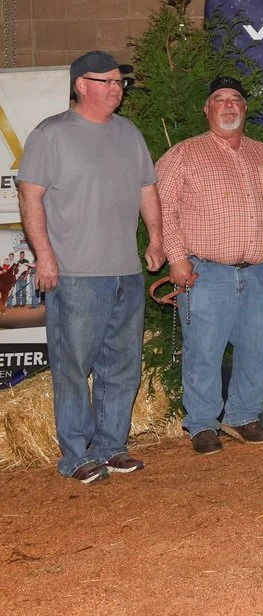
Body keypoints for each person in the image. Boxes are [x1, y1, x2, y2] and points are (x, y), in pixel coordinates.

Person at [17, 51, 164, 484]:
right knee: (73, 365)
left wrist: (156, 239)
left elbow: (147, 188)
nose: (117, 88)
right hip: (75, 273)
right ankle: (76, 455)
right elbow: (30, 197)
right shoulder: (51, 135)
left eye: (121, 82)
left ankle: (111, 447)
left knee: (121, 365)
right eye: (108, 81)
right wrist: (45, 255)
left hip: (126, 272)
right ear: (82, 85)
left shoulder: (129, 133)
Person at [156, 76, 263, 456]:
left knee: (258, 346)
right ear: (207, 109)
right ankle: (203, 423)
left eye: (236, 100)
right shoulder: (183, 155)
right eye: (220, 100)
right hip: (206, 271)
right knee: (204, 350)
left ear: (245, 108)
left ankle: (242, 416)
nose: (229, 106)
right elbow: (162, 209)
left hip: (259, 270)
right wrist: (176, 258)